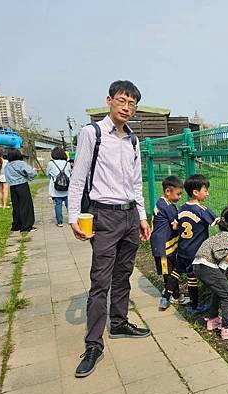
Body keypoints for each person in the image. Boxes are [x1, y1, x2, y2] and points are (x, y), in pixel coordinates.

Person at [67, 80, 151, 378]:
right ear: (109, 101)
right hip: (103, 217)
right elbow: (78, 178)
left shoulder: (134, 140)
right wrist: (74, 216)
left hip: (129, 216)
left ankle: (118, 323)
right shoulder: (93, 134)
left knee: (124, 274)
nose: (127, 107)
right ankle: (93, 344)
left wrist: (141, 216)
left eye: (132, 104)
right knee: (100, 280)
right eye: (122, 101)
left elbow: (136, 183)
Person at [193, 206, 228, 340]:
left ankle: (212, 319)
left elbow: (225, 263)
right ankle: (227, 327)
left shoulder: (223, 235)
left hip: (200, 265)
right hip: (207, 266)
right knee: (227, 295)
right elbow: (220, 253)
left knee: (218, 292)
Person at [177, 174, 218, 315]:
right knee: (193, 278)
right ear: (196, 192)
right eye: (205, 190)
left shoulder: (181, 208)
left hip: (183, 249)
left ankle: (172, 298)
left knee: (185, 275)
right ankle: (195, 307)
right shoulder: (201, 210)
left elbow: (176, 226)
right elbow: (218, 222)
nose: (208, 193)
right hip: (196, 251)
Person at [150, 175, 191, 311]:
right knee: (168, 272)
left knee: (171, 270)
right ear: (168, 191)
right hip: (163, 247)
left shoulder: (162, 203)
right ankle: (174, 295)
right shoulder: (168, 207)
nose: (180, 197)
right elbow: (175, 225)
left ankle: (174, 293)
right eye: (178, 194)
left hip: (166, 245)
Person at [4, 149, 37, 232]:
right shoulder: (21, 163)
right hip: (22, 186)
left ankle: (17, 225)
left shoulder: (7, 165)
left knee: (16, 207)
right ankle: (26, 226)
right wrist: (32, 174)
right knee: (26, 206)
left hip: (12, 187)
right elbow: (31, 173)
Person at [46, 146, 72, 227]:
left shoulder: (51, 163)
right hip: (67, 188)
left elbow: (48, 174)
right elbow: (69, 173)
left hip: (56, 188)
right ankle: (72, 220)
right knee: (69, 205)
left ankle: (60, 222)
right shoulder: (67, 163)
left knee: (58, 205)